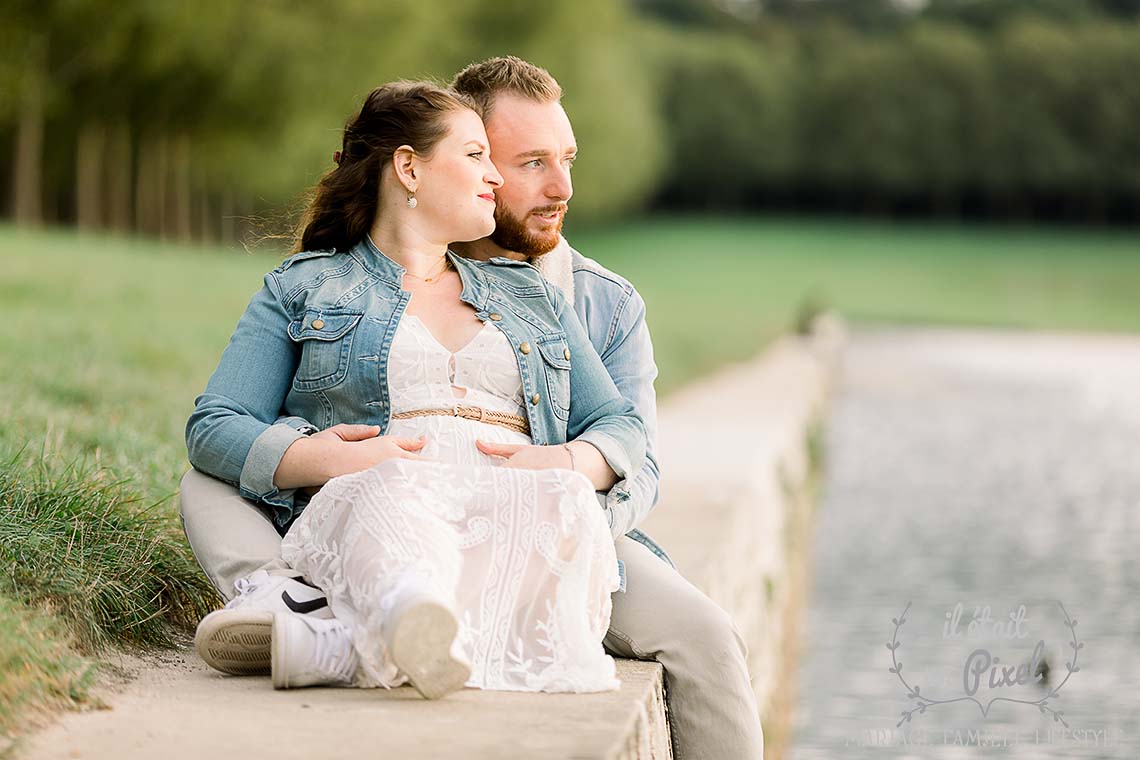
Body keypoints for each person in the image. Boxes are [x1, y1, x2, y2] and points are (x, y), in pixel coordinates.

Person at [183, 58, 765, 758]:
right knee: (213, 481)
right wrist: (326, 457)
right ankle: (296, 604)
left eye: (566, 160)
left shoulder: (563, 297)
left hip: (536, 513)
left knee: (704, 633)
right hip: (389, 504)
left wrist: (563, 475)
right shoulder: (314, 284)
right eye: (508, 159)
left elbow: (628, 437)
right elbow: (219, 423)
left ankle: (340, 633)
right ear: (413, 166)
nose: (560, 187)